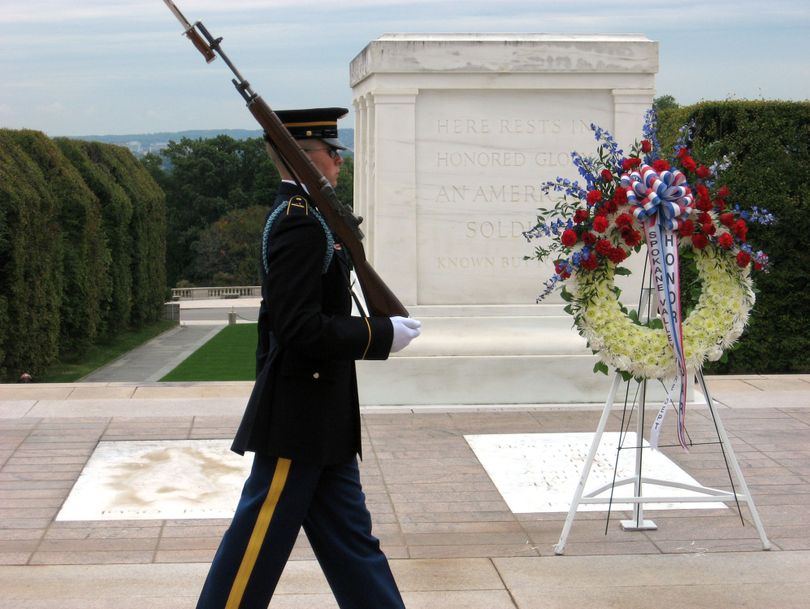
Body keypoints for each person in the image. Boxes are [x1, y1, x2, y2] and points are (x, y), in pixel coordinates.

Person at [195, 107, 421, 609]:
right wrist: (377, 335)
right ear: (303, 158)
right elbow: (297, 330)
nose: (339, 164)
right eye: (331, 154)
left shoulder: (312, 219)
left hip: (323, 417)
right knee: (254, 548)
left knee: (352, 546)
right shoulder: (300, 226)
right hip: (299, 417)